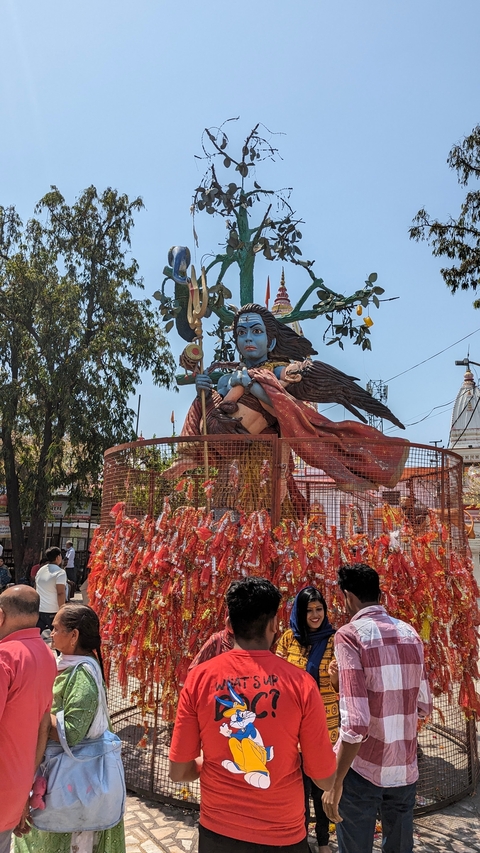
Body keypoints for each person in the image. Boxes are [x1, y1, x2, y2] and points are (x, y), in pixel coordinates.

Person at [168, 305, 408, 501]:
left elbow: (282, 406)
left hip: (250, 446)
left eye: (256, 331)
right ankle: (187, 457)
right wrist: (203, 385)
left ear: (271, 342)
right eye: (241, 333)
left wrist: (254, 384)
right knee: (203, 398)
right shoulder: (229, 374)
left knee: (259, 381)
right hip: (219, 441)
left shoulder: (275, 370)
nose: (248, 338)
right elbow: (212, 397)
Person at [169, 576, 336, 853]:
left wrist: (209, 764)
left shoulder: (199, 679)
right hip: (283, 834)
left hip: (217, 831)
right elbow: (324, 778)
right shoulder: (301, 684)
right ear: (273, 624)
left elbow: (179, 771)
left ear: (230, 625)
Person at [322, 564, 432, 853]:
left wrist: (336, 782)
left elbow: (356, 723)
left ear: (348, 596)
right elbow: (423, 705)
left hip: (362, 772)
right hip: (405, 769)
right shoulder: (409, 633)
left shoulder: (349, 636)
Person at [14, 602, 126, 853]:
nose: (50, 634)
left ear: (73, 635)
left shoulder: (82, 675)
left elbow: (73, 732)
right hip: (59, 771)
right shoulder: (68, 665)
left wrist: (37, 712)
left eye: (55, 629)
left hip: (72, 780)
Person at [276, 587, 339, 853]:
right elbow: (276, 678)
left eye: (319, 609)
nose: (314, 615)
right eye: (308, 610)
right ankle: (299, 839)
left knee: (321, 788)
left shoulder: (336, 640)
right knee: (296, 790)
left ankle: (323, 841)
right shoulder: (289, 639)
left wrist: (335, 676)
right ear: (299, 612)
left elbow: (343, 687)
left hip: (325, 726)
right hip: (292, 728)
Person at [0, 586, 57, 853]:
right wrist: (24, 789)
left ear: (1, 616)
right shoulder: (46, 655)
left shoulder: (5, 657)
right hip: (15, 787)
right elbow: (43, 725)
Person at [35, 547, 67, 633]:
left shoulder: (41, 570)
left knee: (35, 634)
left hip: (40, 609)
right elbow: (60, 593)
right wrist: (62, 609)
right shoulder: (60, 572)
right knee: (58, 635)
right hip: (53, 610)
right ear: (58, 557)